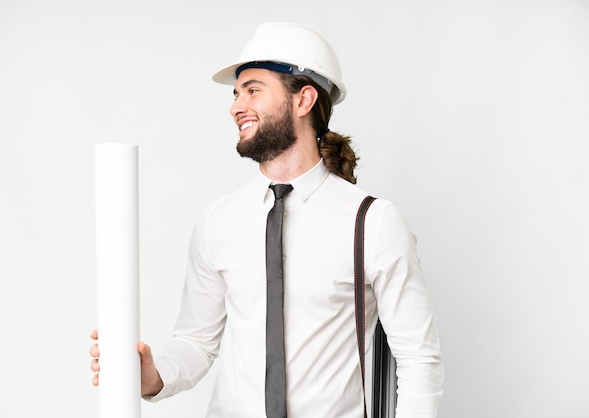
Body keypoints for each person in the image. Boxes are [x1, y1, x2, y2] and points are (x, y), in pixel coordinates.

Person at [90, 22, 443, 417]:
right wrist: (155, 375)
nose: (237, 106)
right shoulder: (218, 222)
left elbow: (418, 362)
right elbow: (196, 342)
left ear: (304, 99)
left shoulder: (373, 223)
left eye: (253, 90)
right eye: (236, 94)